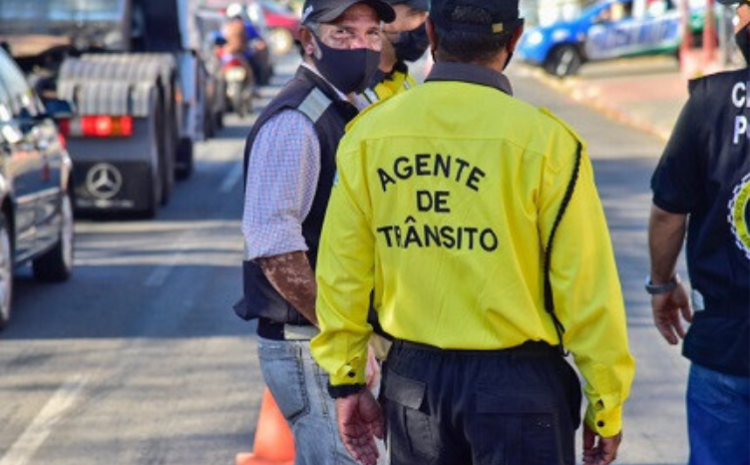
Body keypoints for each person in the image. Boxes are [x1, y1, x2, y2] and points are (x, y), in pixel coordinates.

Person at [309, 1, 636, 465]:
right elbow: (586, 289)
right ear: (516, 39)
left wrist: (347, 379)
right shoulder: (547, 145)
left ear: (433, 35)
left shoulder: (368, 137)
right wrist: (606, 403)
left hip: (414, 389)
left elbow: (342, 272)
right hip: (520, 392)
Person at [233, 1, 395, 464]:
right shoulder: (296, 121)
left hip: (333, 341)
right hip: (310, 345)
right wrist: (339, 331)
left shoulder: (351, 104)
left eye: (371, 34)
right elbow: (275, 246)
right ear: (308, 40)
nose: (361, 46)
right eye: (343, 34)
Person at [647, 0, 750, 463]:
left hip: (727, 345)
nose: (737, 19)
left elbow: (670, 211)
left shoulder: (710, 102)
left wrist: (663, 283)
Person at [360, 0, 430, 104]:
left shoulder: (400, 75)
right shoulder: (349, 94)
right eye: (414, 13)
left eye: (426, 15)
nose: (424, 22)